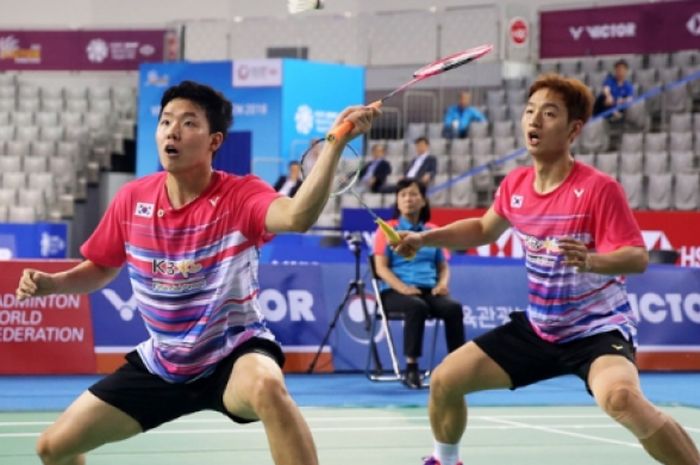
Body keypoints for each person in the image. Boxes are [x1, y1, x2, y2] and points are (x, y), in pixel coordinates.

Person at [15, 80, 379, 465]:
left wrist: (335, 144)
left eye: (188, 123)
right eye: (166, 121)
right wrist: (54, 284)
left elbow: (296, 216)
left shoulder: (240, 195)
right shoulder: (132, 199)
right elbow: (103, 266)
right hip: (163, 363)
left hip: (232, 354)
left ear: (214, 141)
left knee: (268, 388)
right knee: (53, 447)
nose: (172, 130)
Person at [395, 74, 699, 465]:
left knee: (622, 399)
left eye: (549, 113)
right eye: (529, 111)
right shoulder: (516, 184)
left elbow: (636, 257)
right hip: (539, 329)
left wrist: (591, 259)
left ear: (573, 129)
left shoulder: (598, 189)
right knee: (444, 380)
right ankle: (445, 459)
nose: (534, 121)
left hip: (596, 332)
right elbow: (483, 228)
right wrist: (424, 239)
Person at [373, 178, 465, 389]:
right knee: (416, 307)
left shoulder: (432, 231)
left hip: (428, 290)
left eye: (413, 194)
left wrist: (442, 284)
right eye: (403, 195)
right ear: (397, 202)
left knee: (453, 308)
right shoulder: (387, 231)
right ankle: (411, 368)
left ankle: (459, 367)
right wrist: (403, 288)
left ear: (423, 201)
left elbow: (443, 266)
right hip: (395, 293)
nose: (408, 199)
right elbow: (381, 268)